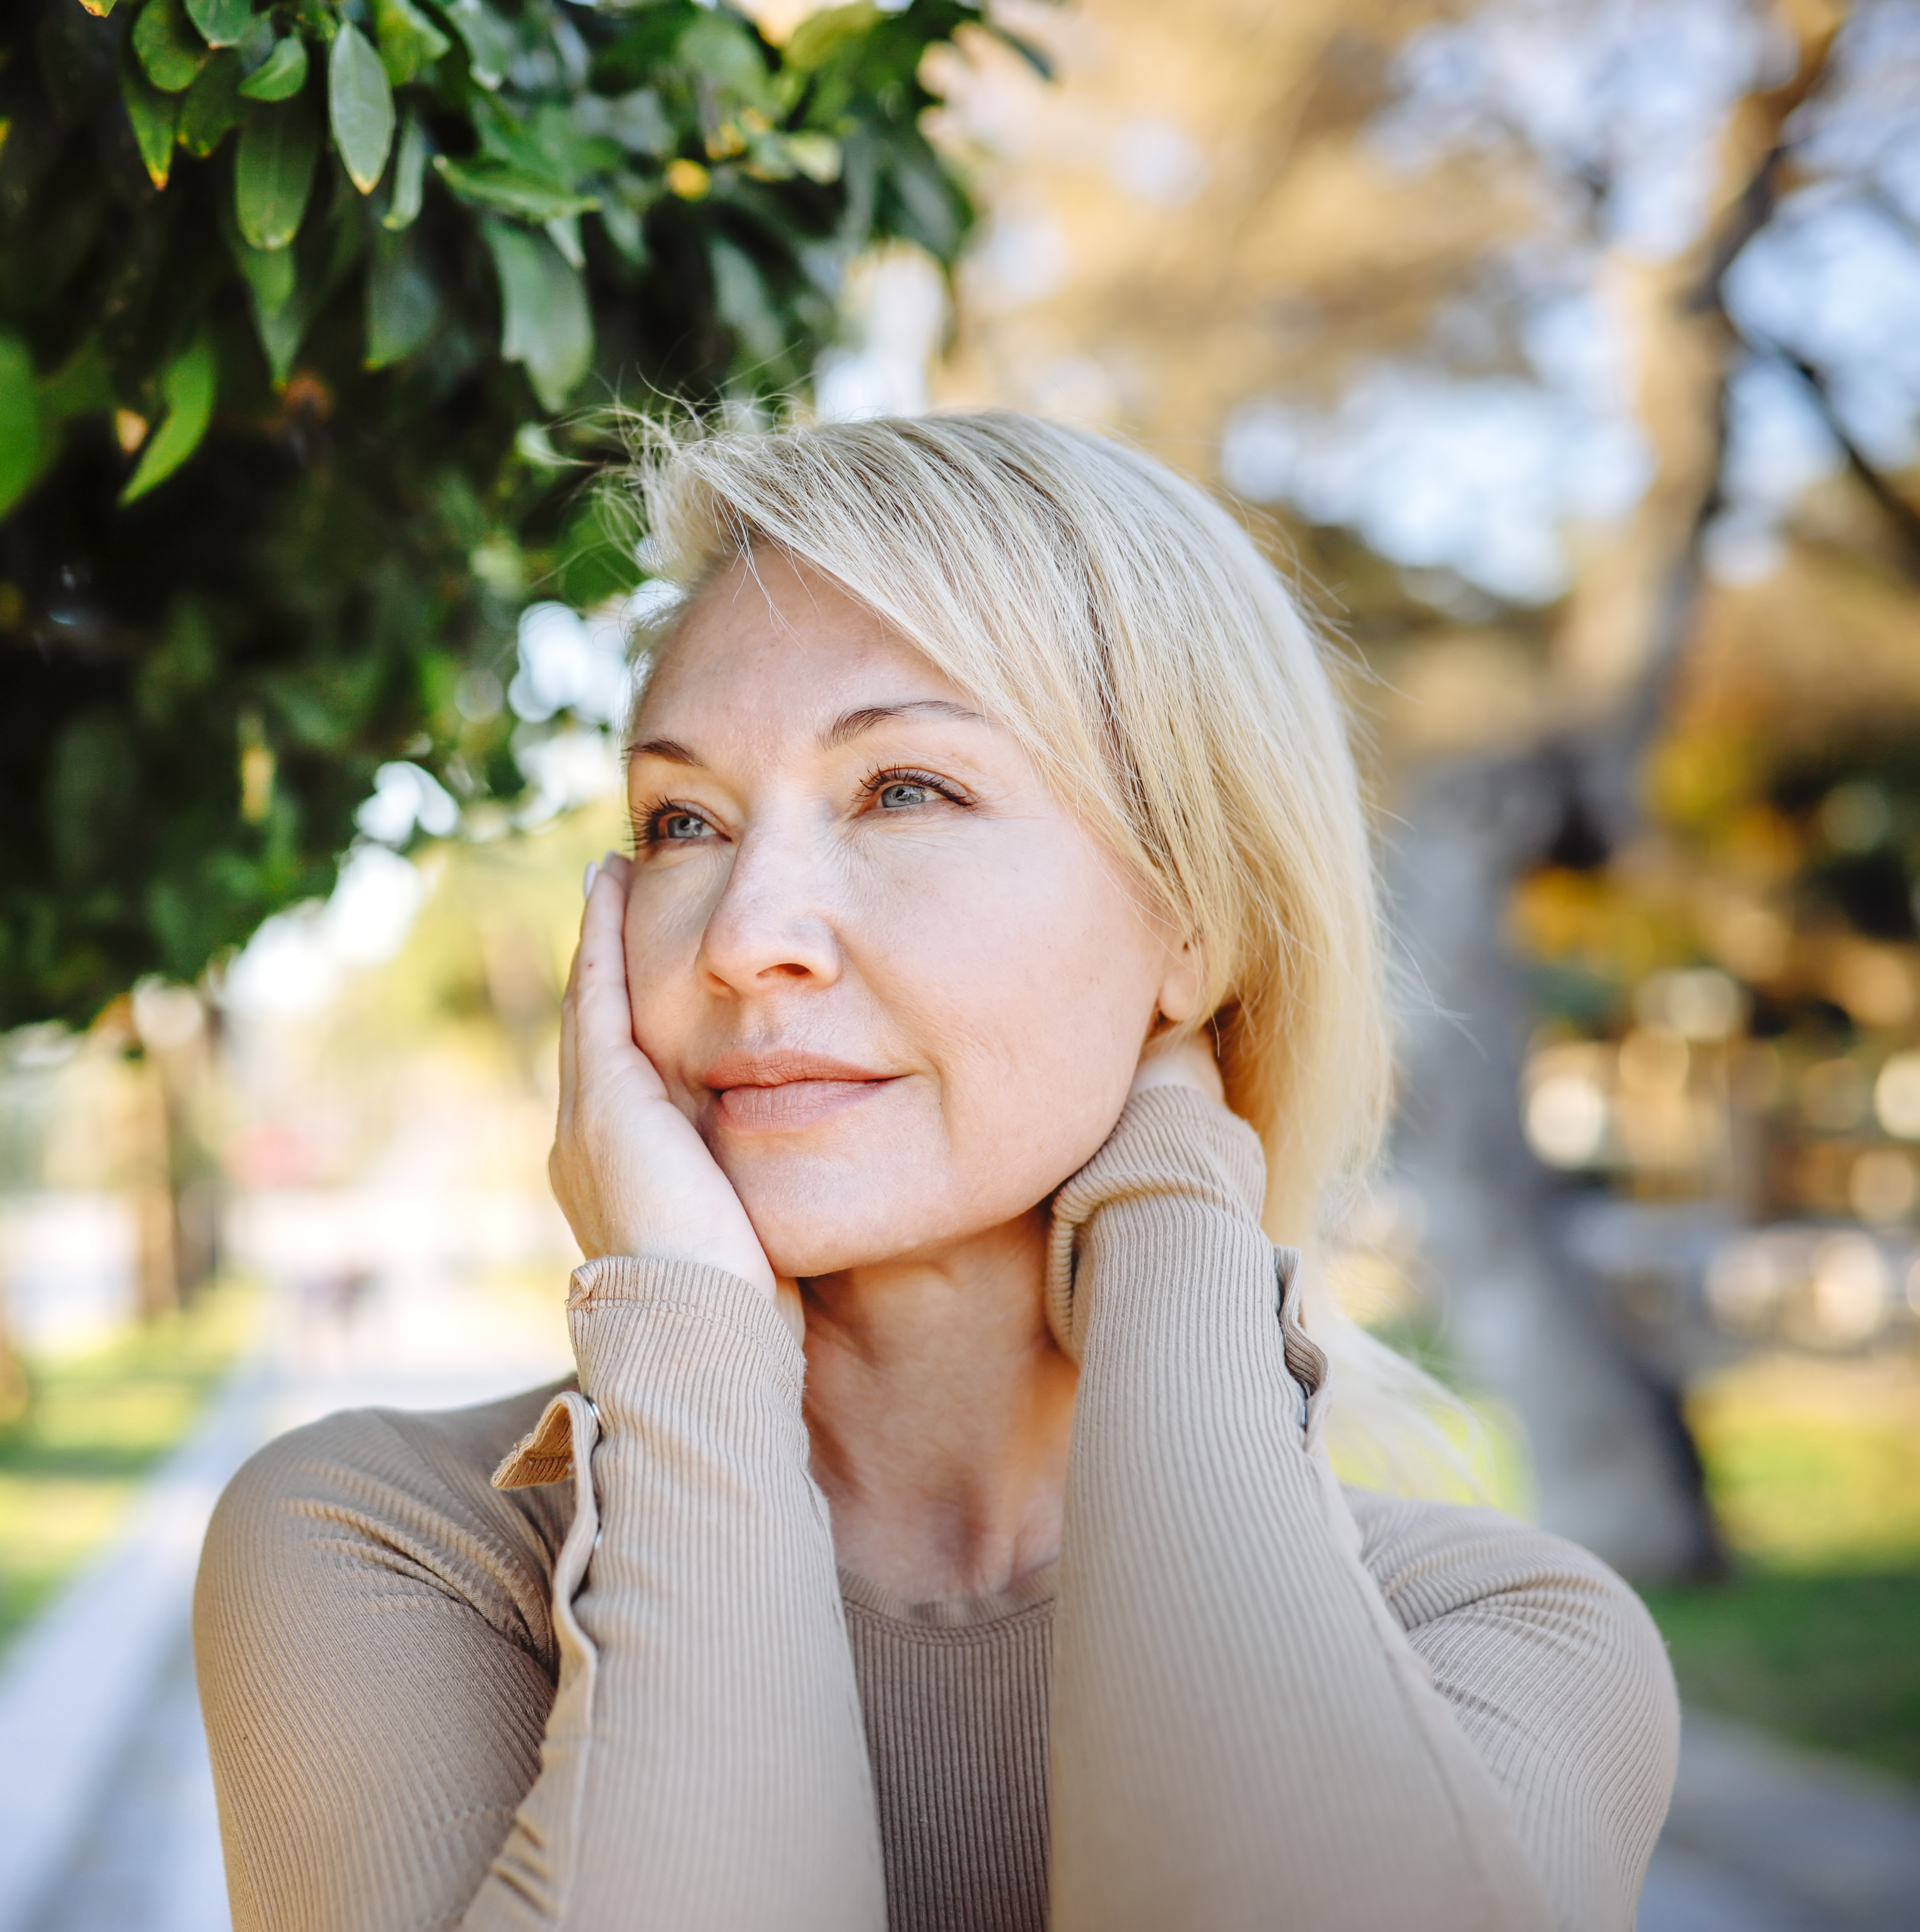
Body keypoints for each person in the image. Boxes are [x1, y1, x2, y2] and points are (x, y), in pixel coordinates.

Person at [193, 412, 1679, 1932]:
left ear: (1196, 923)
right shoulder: (390, 1546)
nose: (741, 933)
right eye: (683, 820)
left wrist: (1175, 1228)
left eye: (906, 789)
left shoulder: (1507, 1639)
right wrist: (690, 1340)